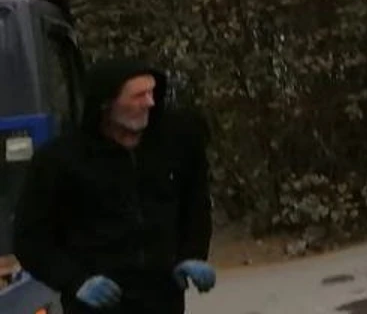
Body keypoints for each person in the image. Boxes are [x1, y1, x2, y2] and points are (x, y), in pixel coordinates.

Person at [12, 60, 216, 312]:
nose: (149, 103)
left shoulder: (176, 143)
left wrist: (192, 254)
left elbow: (196, 207)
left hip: (162, 298)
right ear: (106, 104)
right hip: (95, 302)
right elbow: (29, 239)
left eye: (152, 93)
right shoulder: (59, 160)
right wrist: (74, 280)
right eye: (138, 96)